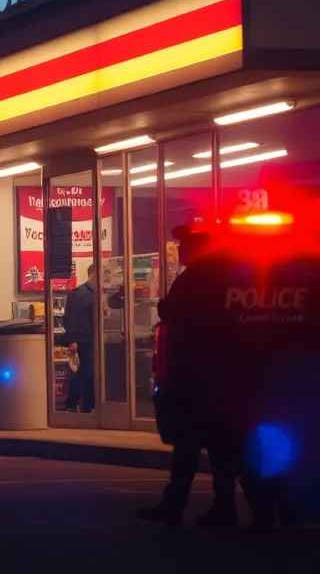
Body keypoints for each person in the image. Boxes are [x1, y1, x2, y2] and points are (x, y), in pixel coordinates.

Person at [135, 221, 245, 529]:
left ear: (199, 247)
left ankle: (177, 507)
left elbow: (172, 312)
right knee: (220, 446)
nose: (180, 251)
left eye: (185, 246)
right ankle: (223, 508)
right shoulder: (231, 273)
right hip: (226, 377)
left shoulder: (197, 277)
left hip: (197, 377)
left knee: (188, 445)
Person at [63, 265, 96, 413]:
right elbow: (70, 318)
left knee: (92, 372)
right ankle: (71, 401)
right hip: (84, 339)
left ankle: (89, 405)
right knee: (87, 370)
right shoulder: (78, 294)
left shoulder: (101, 293)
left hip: (96, 338)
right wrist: (71, 339)